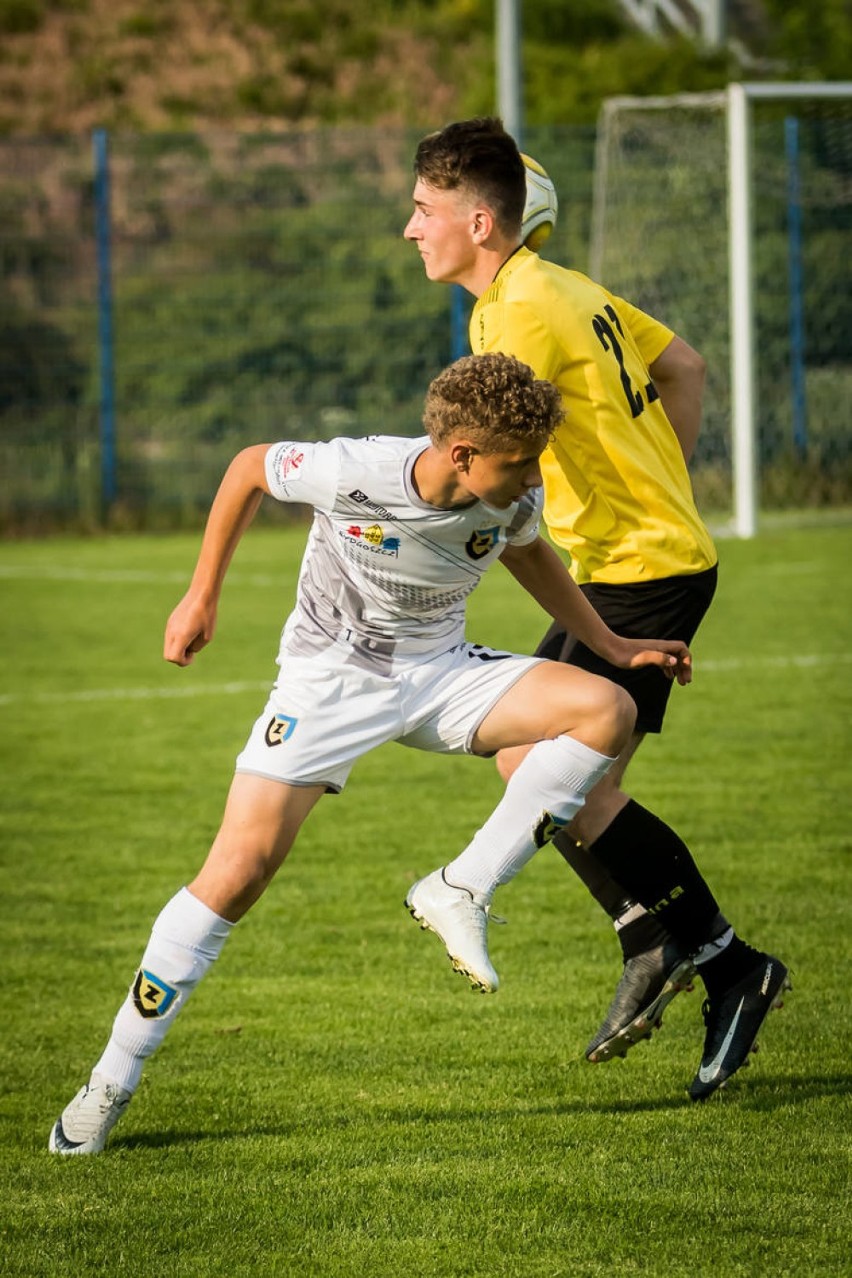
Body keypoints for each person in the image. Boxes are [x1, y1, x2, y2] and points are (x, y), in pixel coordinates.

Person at [48, 352, 695, 1156]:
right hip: (328, 684)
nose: (534, 480)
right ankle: (110, 1080)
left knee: (605, 708)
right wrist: (201, 592)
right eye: (521, 463)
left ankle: (461, 887)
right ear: (462, 454)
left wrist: (608, 641)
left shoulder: (510, 502)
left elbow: (529, 554)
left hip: (440, 675)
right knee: (236, 875)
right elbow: (250, 467)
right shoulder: (354, 469)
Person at [404, 117, 790, 1096]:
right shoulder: (569, 288)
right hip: (646, 558)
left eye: (424, 211)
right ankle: (657, 942)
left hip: (635, 571)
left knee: (548, 764)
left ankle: (718, 961)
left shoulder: (509, 315)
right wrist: (661, 484)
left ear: (481, 222)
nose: (411, 229)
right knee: (534, 762)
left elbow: (489, 466)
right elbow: (686, 369)